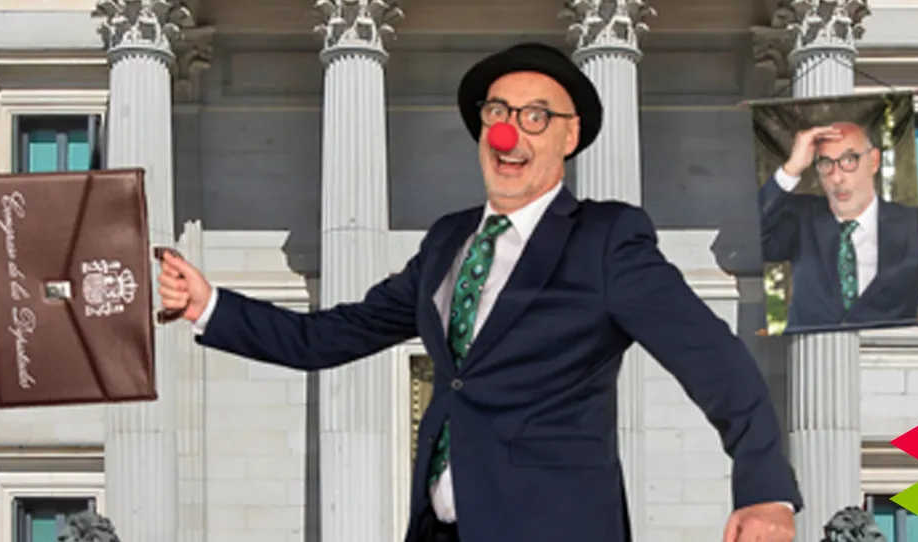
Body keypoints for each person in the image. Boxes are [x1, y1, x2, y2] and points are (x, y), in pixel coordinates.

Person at [158, 42, 802, 542]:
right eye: (496, 113)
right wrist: (207, 304)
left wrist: (764, 490)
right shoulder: (447, 241)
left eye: (535, 117)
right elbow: (326, 336)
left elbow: (712, 360)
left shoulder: (606, 239)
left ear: (569, 136)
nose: (507, 133)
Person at [757, 122, 918, 333]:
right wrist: (791, 168)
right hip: (810, 349)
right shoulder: (801, 217)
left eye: (849, 161)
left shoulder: (913, 224)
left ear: (873, 161)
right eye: (826, 163)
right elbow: (745, 242)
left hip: (883, 350)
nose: (837, 178)